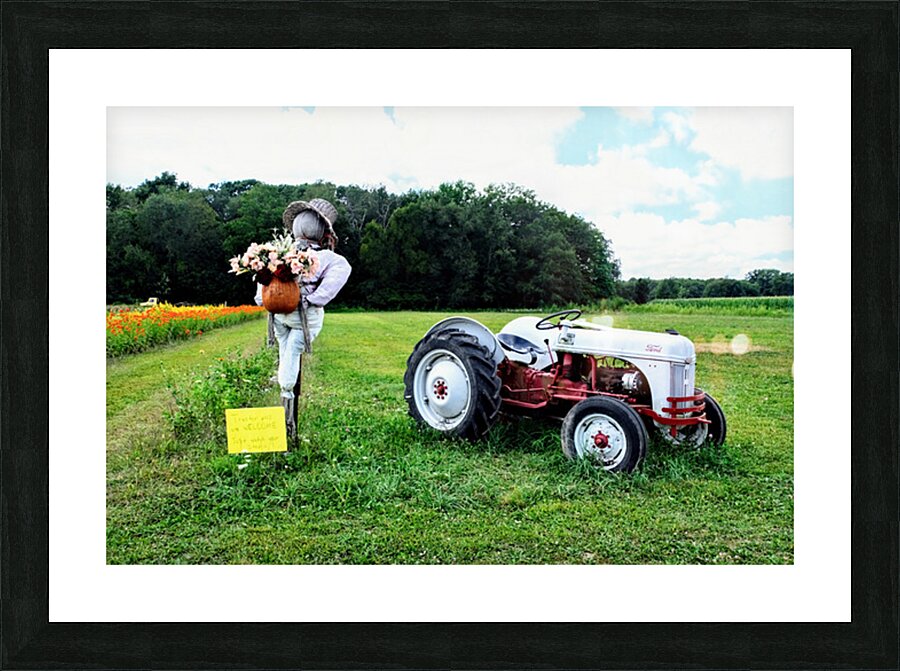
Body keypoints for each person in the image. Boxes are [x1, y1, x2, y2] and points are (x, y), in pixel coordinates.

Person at [257, 198, 352, 436]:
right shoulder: (332, 260)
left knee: (285, 350)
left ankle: (285, 394)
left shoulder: (277, 254)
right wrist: (310, 299)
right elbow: (327, 291)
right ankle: (286, 402)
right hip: (304, 317)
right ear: (323, 231)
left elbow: (260, 294)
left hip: (278, 315)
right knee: (291, 355)